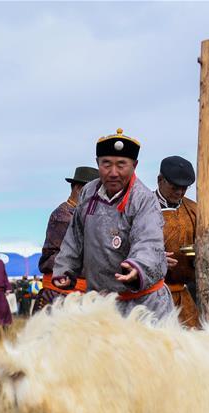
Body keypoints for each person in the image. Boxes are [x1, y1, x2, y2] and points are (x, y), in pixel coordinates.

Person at [53, 129, 171, 319]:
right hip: (101, 303)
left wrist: (138, 267)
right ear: (97, 163)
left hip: (143, 305)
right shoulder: (89, 192)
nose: (113, 172)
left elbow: (148, 241)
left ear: (134, 165)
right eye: (106, 164)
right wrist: (65, 268)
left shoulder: (144, 199)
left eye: (121, 165)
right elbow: (75, 236)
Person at [34, 166, 96, 313]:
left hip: (75, 294)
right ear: (79, 189)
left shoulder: (83, 216)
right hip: (59, 296)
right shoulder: (63, 217)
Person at [156, 155, 200, 327]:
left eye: (184, 188)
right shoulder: (143, 206)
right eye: (175, 187)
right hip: (151, 296)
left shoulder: (194, 210)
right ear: (160, 180)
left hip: (184, 295)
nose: (180, 193)